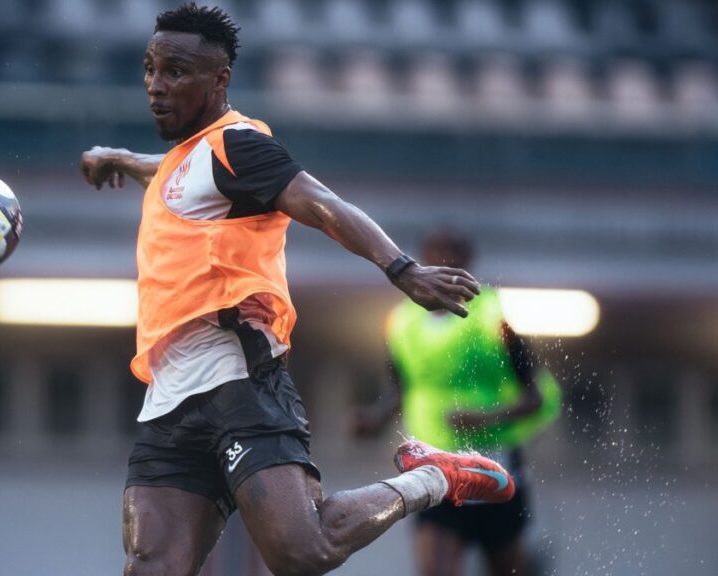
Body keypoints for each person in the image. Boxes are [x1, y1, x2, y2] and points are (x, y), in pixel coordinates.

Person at [78, 4, 516, 575]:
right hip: (169, 397)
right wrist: (123, 158)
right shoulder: (191, 158)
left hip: (237, 376)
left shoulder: (239, 146)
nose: (157, 86)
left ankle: (436, 476)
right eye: (150, 69)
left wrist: (403, 269)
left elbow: (325, 205)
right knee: (151, 567)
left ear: (219, 80)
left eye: (177, 71)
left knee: (301, 552)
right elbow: (175, 173)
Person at [354, 228, 561, 576]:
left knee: (507, 568)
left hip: (493, 469)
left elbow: (536, 398)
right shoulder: (403, 323)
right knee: (433, 568)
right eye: (433, 257)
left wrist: (485, 418)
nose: (442, 266)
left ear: (468, 263)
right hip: (436, 467)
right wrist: (375, 418)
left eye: (452, 258)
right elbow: (402, 388)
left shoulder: (493, 318)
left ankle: (529, 564)